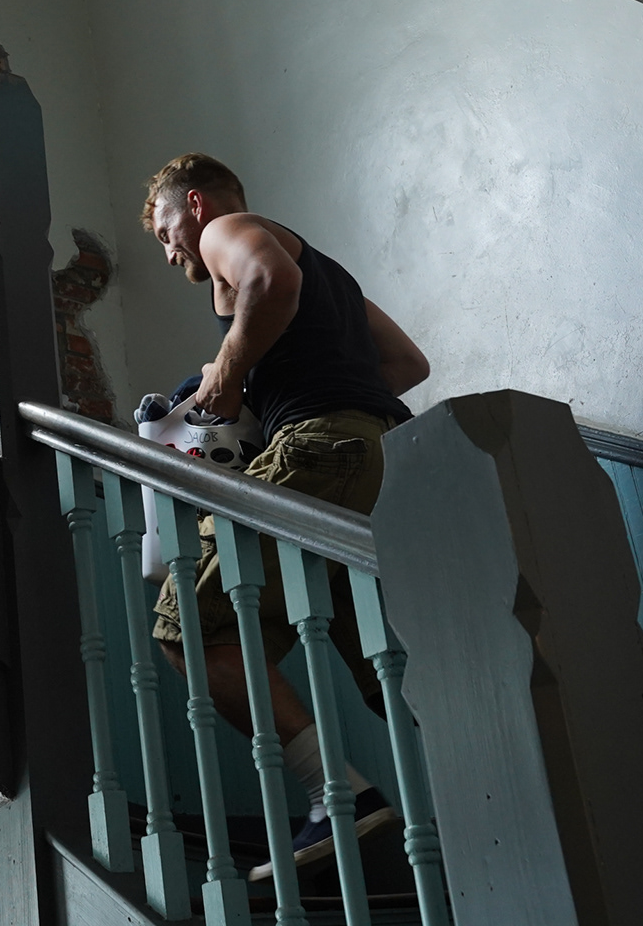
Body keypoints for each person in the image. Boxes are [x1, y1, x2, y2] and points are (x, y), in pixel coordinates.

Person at [139, 152, 429, 880]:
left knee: (191, 625)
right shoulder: (330, 274)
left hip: (322, 447)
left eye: (166, 229)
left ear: (195, 205)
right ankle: (479, 802)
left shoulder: (227, 230)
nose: (170, 249)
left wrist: (227, 377)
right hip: (380, 453)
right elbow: (404, 363)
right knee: (382, 656)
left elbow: (273, 280)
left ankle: (335, 798)